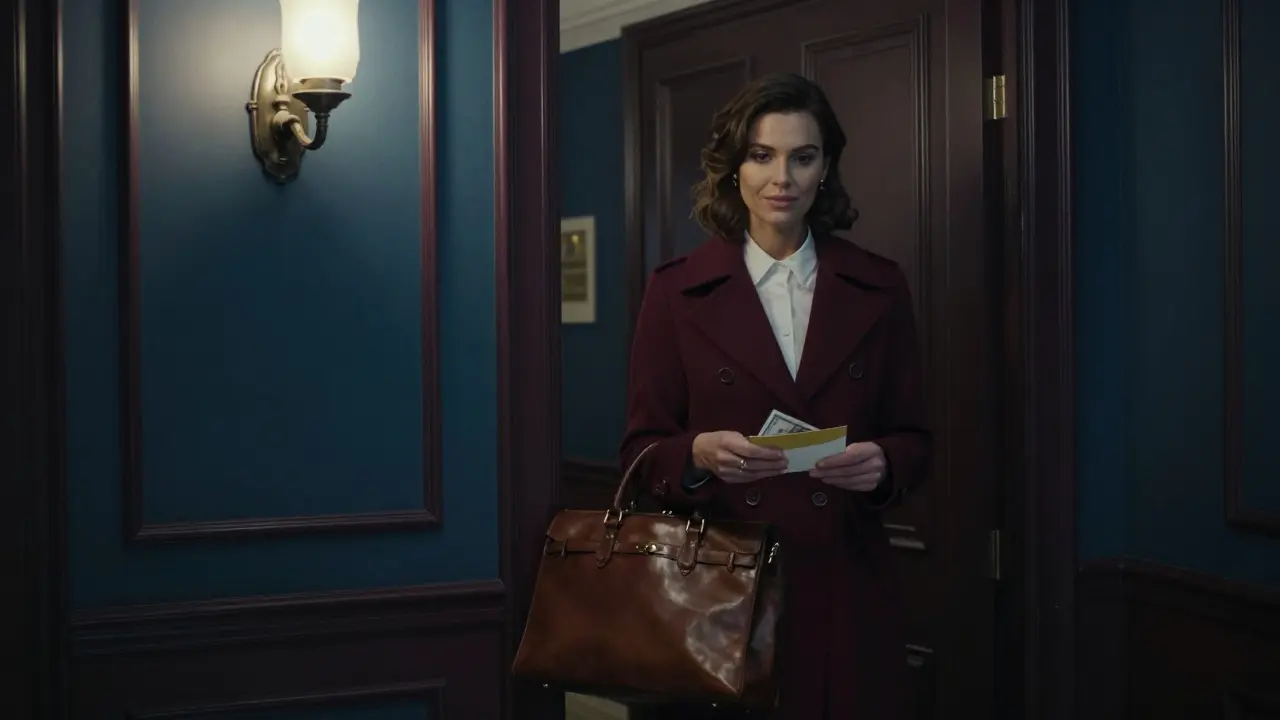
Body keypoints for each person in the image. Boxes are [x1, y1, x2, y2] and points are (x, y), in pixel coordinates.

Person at [619, 72, 931, 719]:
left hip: (845, 581)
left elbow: (913, 437)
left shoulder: (879, 285)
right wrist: (698, 453)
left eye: (802, 156)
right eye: (761, 155)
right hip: (722, 591)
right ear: (735, 168)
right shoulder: (676, 291)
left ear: (826, 170)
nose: (781, 176)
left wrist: (884, 465)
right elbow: (643, 450)